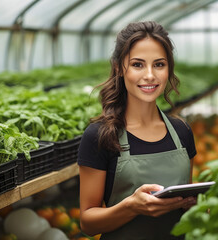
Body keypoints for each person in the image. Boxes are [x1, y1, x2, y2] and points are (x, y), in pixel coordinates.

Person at [77, 21, 197, 240]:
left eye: (159, 64)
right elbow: (87, 222)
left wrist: (193, 205)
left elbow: (187, 209)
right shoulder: (100, 136)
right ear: (118, 68)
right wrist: (131, 207)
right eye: (138, 65)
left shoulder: (181, 132)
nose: (150, 75)